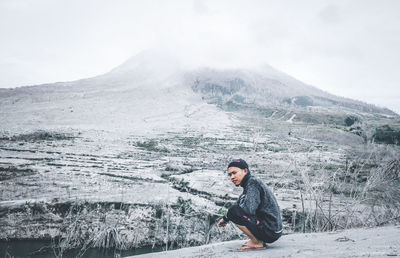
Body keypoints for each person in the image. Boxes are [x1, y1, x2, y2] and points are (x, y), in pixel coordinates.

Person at [217, 159, 283, 251]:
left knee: (233, 211)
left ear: (245, 171)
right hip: (273, 229)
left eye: (234, 173)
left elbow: (249, 209)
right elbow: (239, 201)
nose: (232, 177)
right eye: (230, 175)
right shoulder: (249, 183)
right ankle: (257, 240)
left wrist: (231, 215)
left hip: (270, 231)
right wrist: (225, 218)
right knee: (233, 210)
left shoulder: (252, 183)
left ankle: (257, 242)